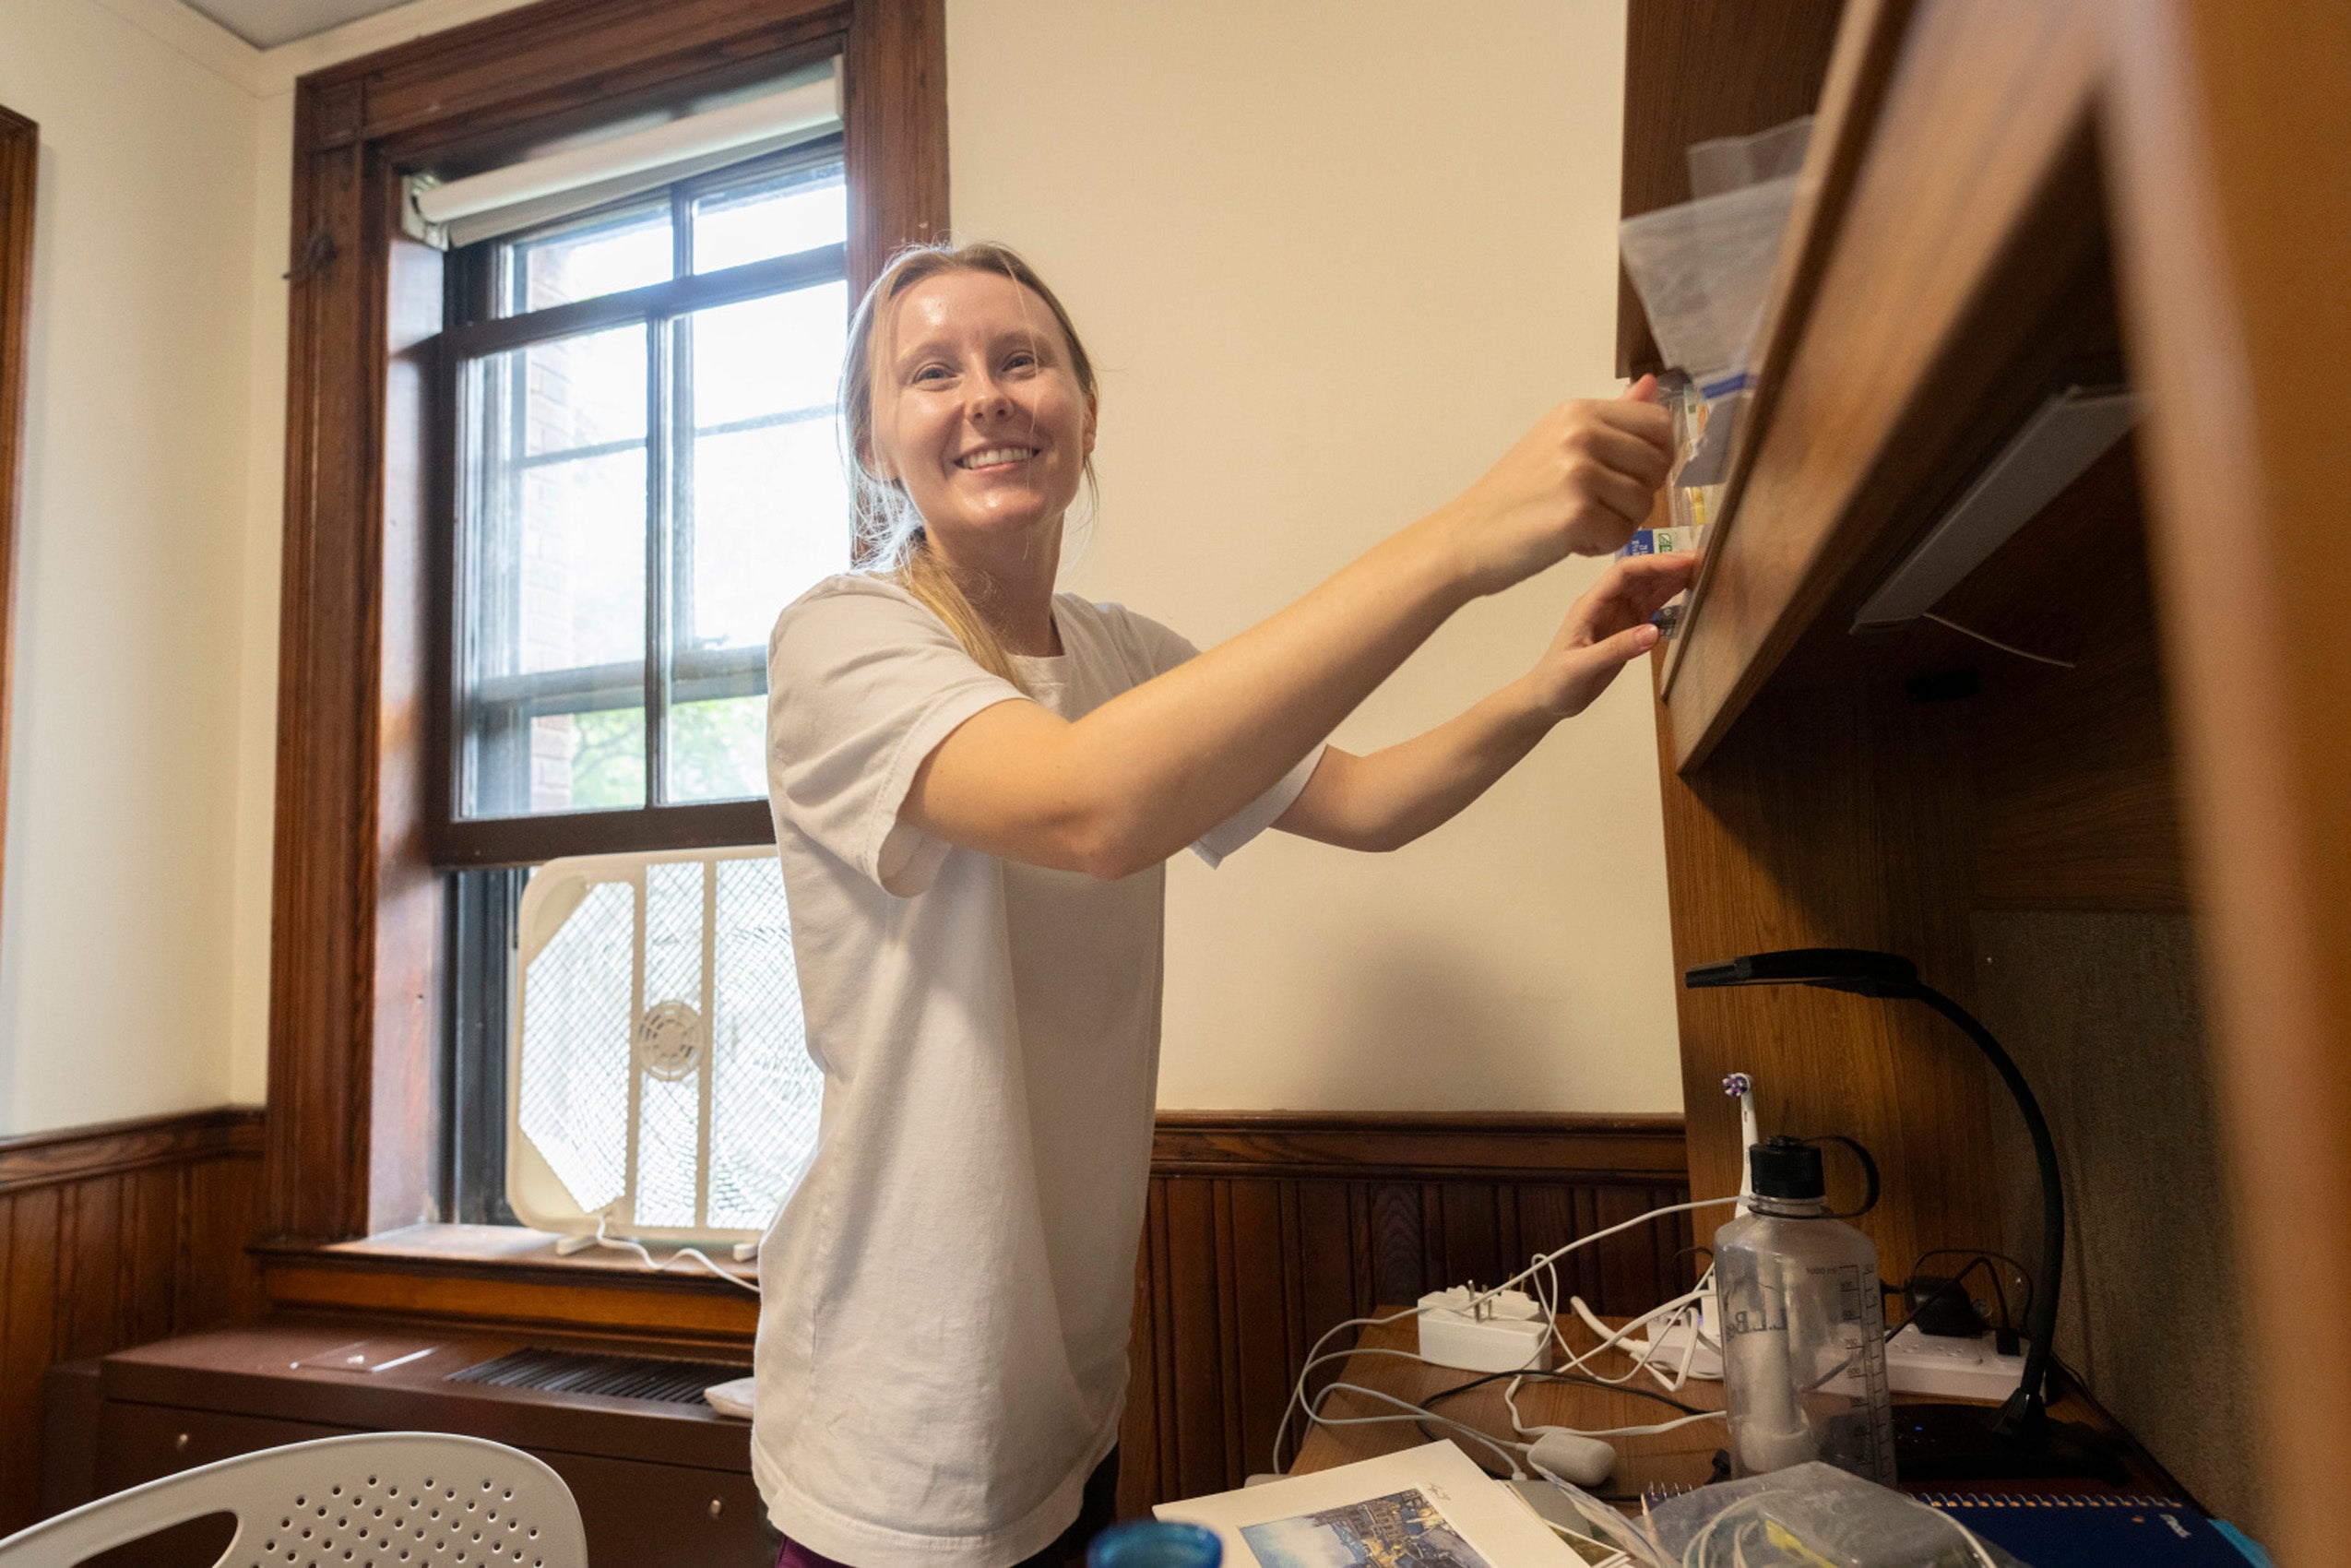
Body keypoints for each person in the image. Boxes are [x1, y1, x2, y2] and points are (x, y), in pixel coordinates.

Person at [754, 241, 1692, 1568]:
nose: (985, 396)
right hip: (897, 1412)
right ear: (872, 439)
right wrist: (1464, 539)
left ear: (1085, 411)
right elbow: (1089, 808)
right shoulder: (840, 639)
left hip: (1062, 1392)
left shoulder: (1121, 651)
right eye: (930, 372)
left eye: (1021, 360)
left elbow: (1363, 801)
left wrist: (1544, 685)